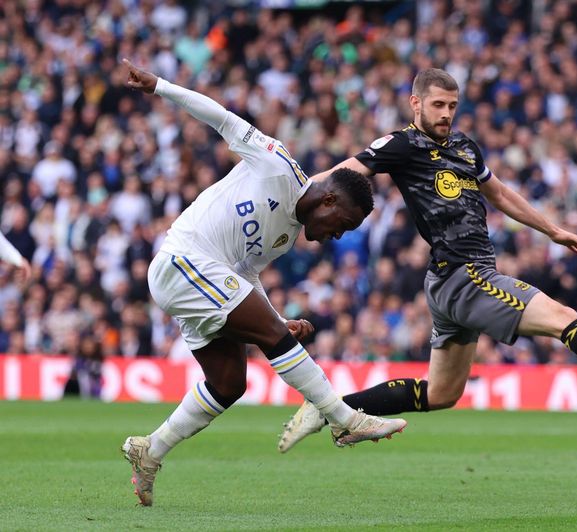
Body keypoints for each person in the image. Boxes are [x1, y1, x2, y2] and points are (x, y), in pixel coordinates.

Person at [278, 68, 577, 452]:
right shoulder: (401, 145)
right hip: (464, 275)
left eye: (452, 106)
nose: (446, 114)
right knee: (563, 318)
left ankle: (328, 409)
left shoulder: (465, 147)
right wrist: (284, 198)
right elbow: (339, 174)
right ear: (416, 103)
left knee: (441, 394)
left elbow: (498, 194)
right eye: (438, 105)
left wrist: (552, 230)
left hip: (454, 280)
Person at [119, 59, 407, 507]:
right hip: (183, 261)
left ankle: (149, 450)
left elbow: (246, 271)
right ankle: (343, 417)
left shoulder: (286, 234)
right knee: (271, 339)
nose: (336, 236)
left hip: (206, 281)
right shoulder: (276, 163)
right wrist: (160, 87)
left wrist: (274, 320)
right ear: (328, 198)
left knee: (230, 383)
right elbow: (219, 116)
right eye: (342, 224)